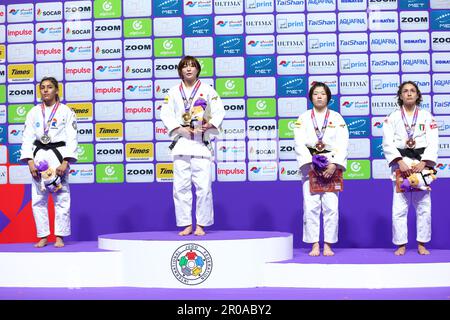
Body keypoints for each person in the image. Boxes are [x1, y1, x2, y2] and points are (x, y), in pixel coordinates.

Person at [160, 56, 225, 236]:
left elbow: (219, 111)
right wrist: (178, 129)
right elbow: (165, 113)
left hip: (200, 143)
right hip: (181, 143)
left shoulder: (208, 90)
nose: (188, 69)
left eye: (192, 66)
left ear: (197, 70)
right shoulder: (173, 92)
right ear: (180, 70)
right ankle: (186, 223)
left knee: (203, 187)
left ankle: (201, 225)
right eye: (185, 66)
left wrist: (209, 125)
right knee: (180, 187)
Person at [20, 77, 78, 248]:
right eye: (43, 88)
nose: (45, 90)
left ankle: (59, 236)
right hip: (39, 157)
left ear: (56, 90)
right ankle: (43, 236)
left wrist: (66, 161)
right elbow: (27, 137)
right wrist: (30, 161)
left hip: (58, 156)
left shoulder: (66, 111)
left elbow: (72, 137)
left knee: (61, 195)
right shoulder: (34, 112)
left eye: (49, 87)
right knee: (38, 198)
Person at [382, 81, 439, 256]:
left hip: (421, 164)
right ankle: (401, 244)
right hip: (402, 165)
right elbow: (387, 142)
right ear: (400, 96)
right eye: (405, 91)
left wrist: (426, 161)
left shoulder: (427, 116)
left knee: (423, 206)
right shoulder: (392, 118)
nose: (409, 94)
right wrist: (399, 161)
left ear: (417, 95)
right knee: (399, 208)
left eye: (412, 91)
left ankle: (422, 243)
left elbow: (434, 141)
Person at [294, 82, 349, 256]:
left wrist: (335, 164)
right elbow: (299, 143)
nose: (319, 96)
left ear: (328, 97)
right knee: (310, 207)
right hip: (310, 166)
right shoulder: (302, 118)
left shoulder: (337, 118)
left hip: (332, 166)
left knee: (331, 207)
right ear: (311, 97)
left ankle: (328, 244)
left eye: (323, 94)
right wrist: (310, 164)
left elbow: (343, 142)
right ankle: (314, 244)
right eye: (316, 93)